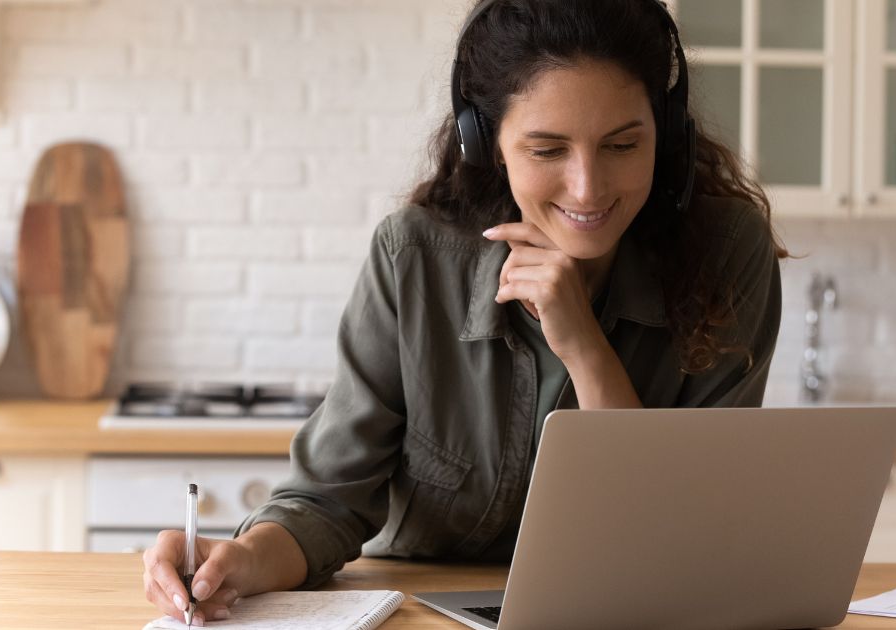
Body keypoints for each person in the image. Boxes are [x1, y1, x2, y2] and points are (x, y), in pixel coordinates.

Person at [141, 0, 785, 623]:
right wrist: (238, 561)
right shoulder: (414, 257)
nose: (588, 187)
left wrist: (583, 345)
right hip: (420, 614)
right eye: (547, 150)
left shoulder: (727, 254)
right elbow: (325, 501)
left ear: (666, 134)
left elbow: (680, 539)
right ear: (488, 144)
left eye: (622, 145)